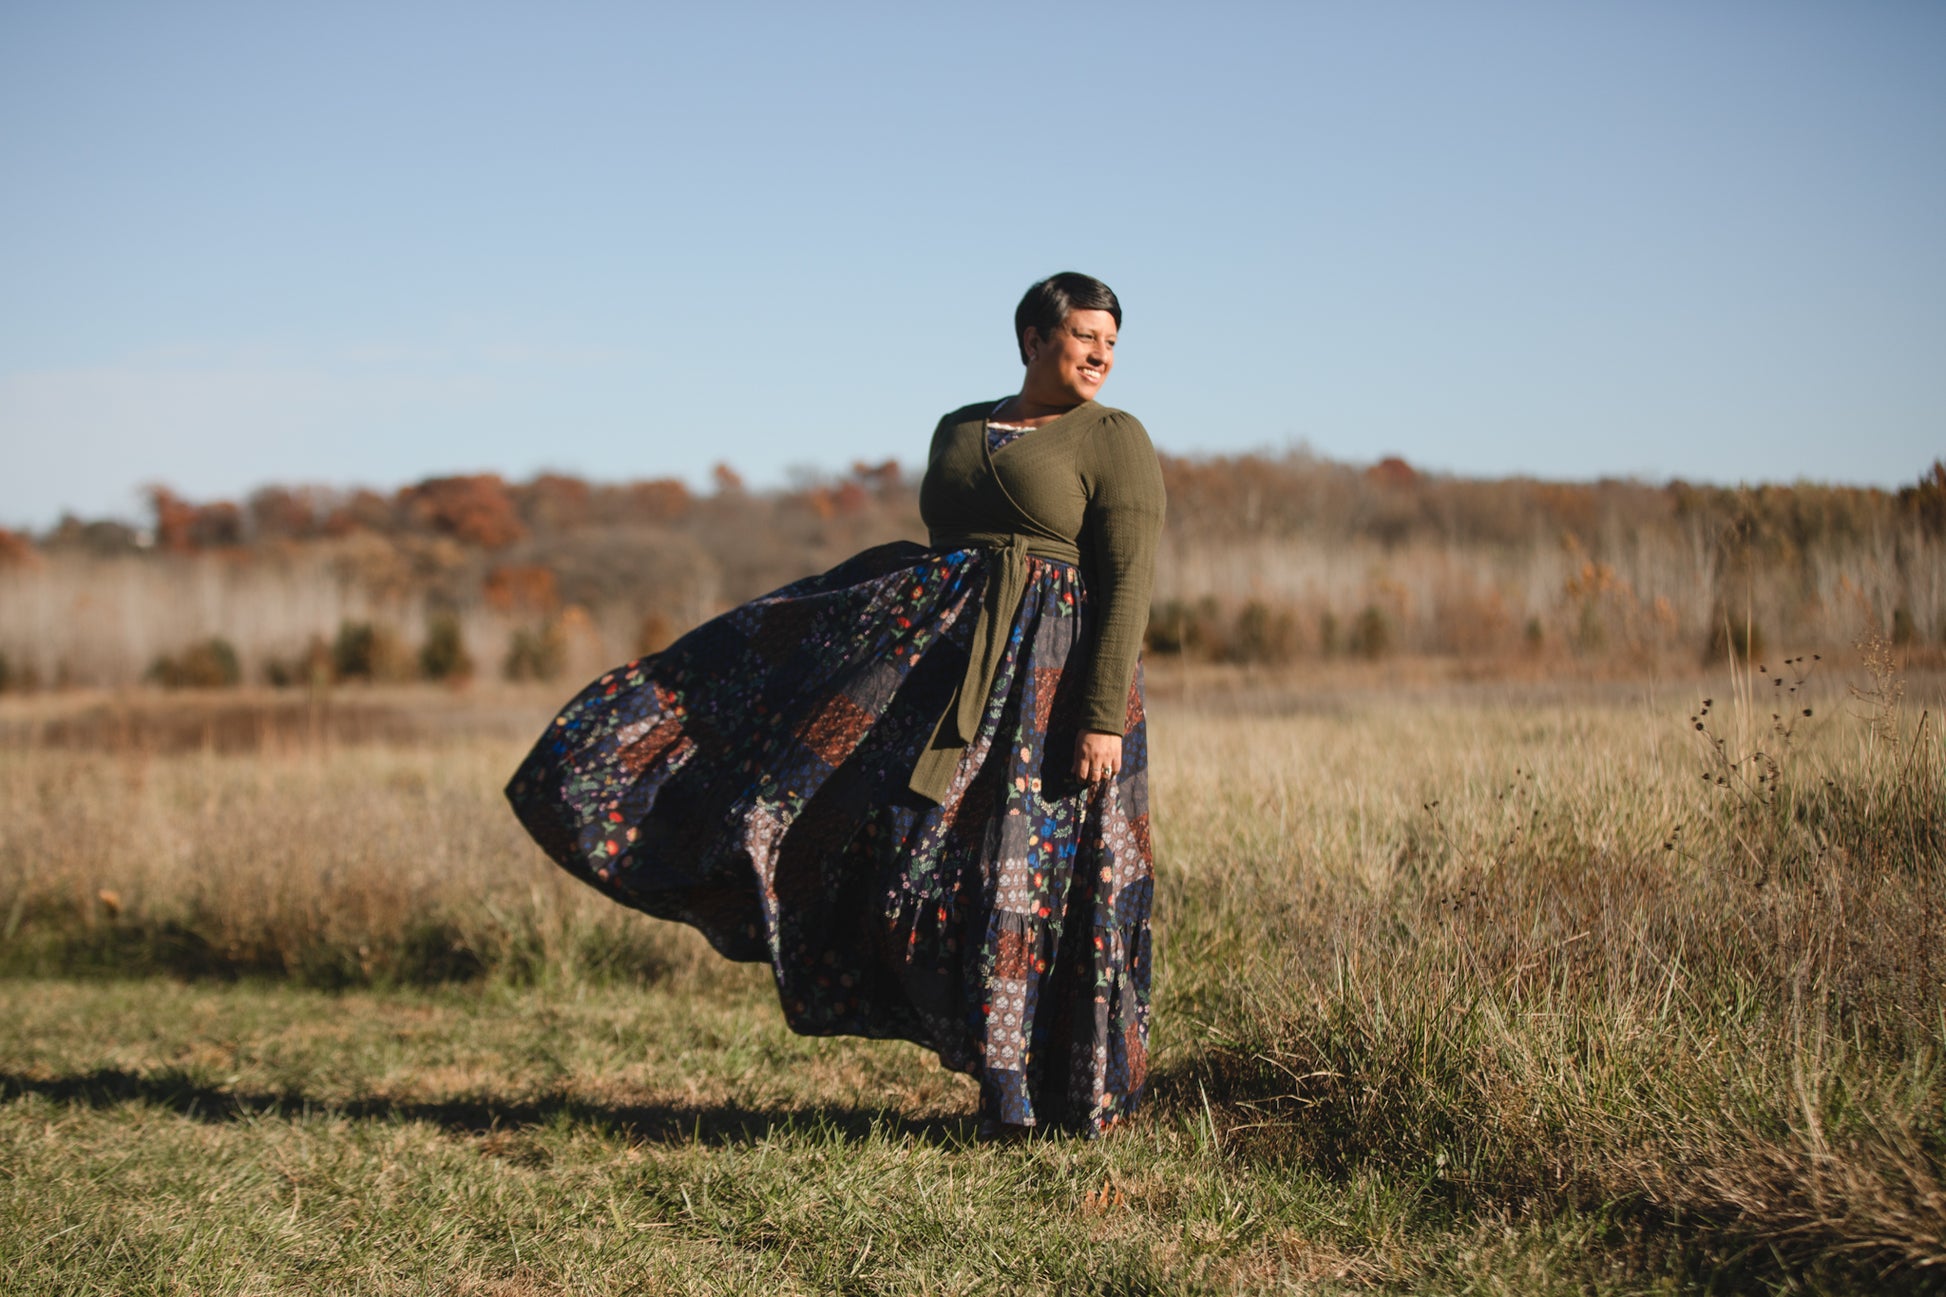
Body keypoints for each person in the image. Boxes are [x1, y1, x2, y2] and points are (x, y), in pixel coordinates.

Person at [505, 272, 1165, 1137]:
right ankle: (985, 1057)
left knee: (1034, 879)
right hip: (954, 669)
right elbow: (948, 552)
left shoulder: (1114, 436)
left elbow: (1128, 580)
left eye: (1112, 342)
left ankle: (1038, 1094)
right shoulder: (961, 428)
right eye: (1086, 336)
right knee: (904, 855)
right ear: (1036, 338)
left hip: (1056, 680)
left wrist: (1102, 714)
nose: (1102, 355)